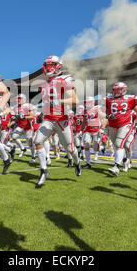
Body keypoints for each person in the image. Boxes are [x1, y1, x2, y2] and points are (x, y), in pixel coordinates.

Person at [33, 55, 81, 186]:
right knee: (37, 141)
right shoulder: (44, 84)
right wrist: (43, 113)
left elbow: (75, 100)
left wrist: (60, 101)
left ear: (58, 66)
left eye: (51, 65)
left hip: (62, 119)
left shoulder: (65, 79)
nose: (49, 68)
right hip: (48, 119)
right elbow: (47, 103)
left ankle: (77, 162)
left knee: (70, 148)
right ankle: (43, 170)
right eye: (47, 65)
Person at [102, 82, 137, 176]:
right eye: (114, 90)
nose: (116, 92)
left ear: (124, 90)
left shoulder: (130, 99)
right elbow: (100, 112)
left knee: (120, 144)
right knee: (117, 146)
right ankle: (125, 160)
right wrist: (107, 116)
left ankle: (116, 167)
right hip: (112, 126)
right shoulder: (108, 99)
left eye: (118, 90)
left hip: (126, 125)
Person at [82, 96, 106, 168]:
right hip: (88, 130)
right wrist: (81, 130)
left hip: (96, 130)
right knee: (86, 145)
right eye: (85, 102)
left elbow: (104, 118)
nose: (86, 104)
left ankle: (100, 149)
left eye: (87, 102)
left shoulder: (97, 109)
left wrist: (102, 128)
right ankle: (88, 163)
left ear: (92, 102)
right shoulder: (85, 110)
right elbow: (84, 121)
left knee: (95, 147)